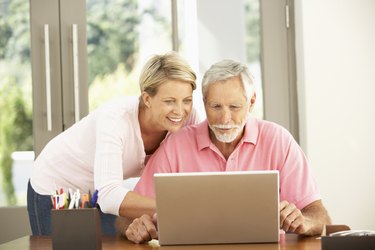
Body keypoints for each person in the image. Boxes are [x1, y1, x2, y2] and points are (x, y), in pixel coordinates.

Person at [120, 59, 331, 243]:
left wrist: (304, 221)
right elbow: (124, 219)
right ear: (203, 103)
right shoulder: (176, 145)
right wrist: (136, 227)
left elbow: (320, 216)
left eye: (235, 107)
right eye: (216, 107)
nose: (225, 119)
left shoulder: (279, 141)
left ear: (252, 102)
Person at [27, 52, 199, 236]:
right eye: (169, 101)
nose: (180, 110)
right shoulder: (116, 119)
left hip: (99, 190)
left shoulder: (187, 119)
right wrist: (175, 209)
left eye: (187, 100)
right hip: (57, 187)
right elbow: (108, 195)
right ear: (147, 99)